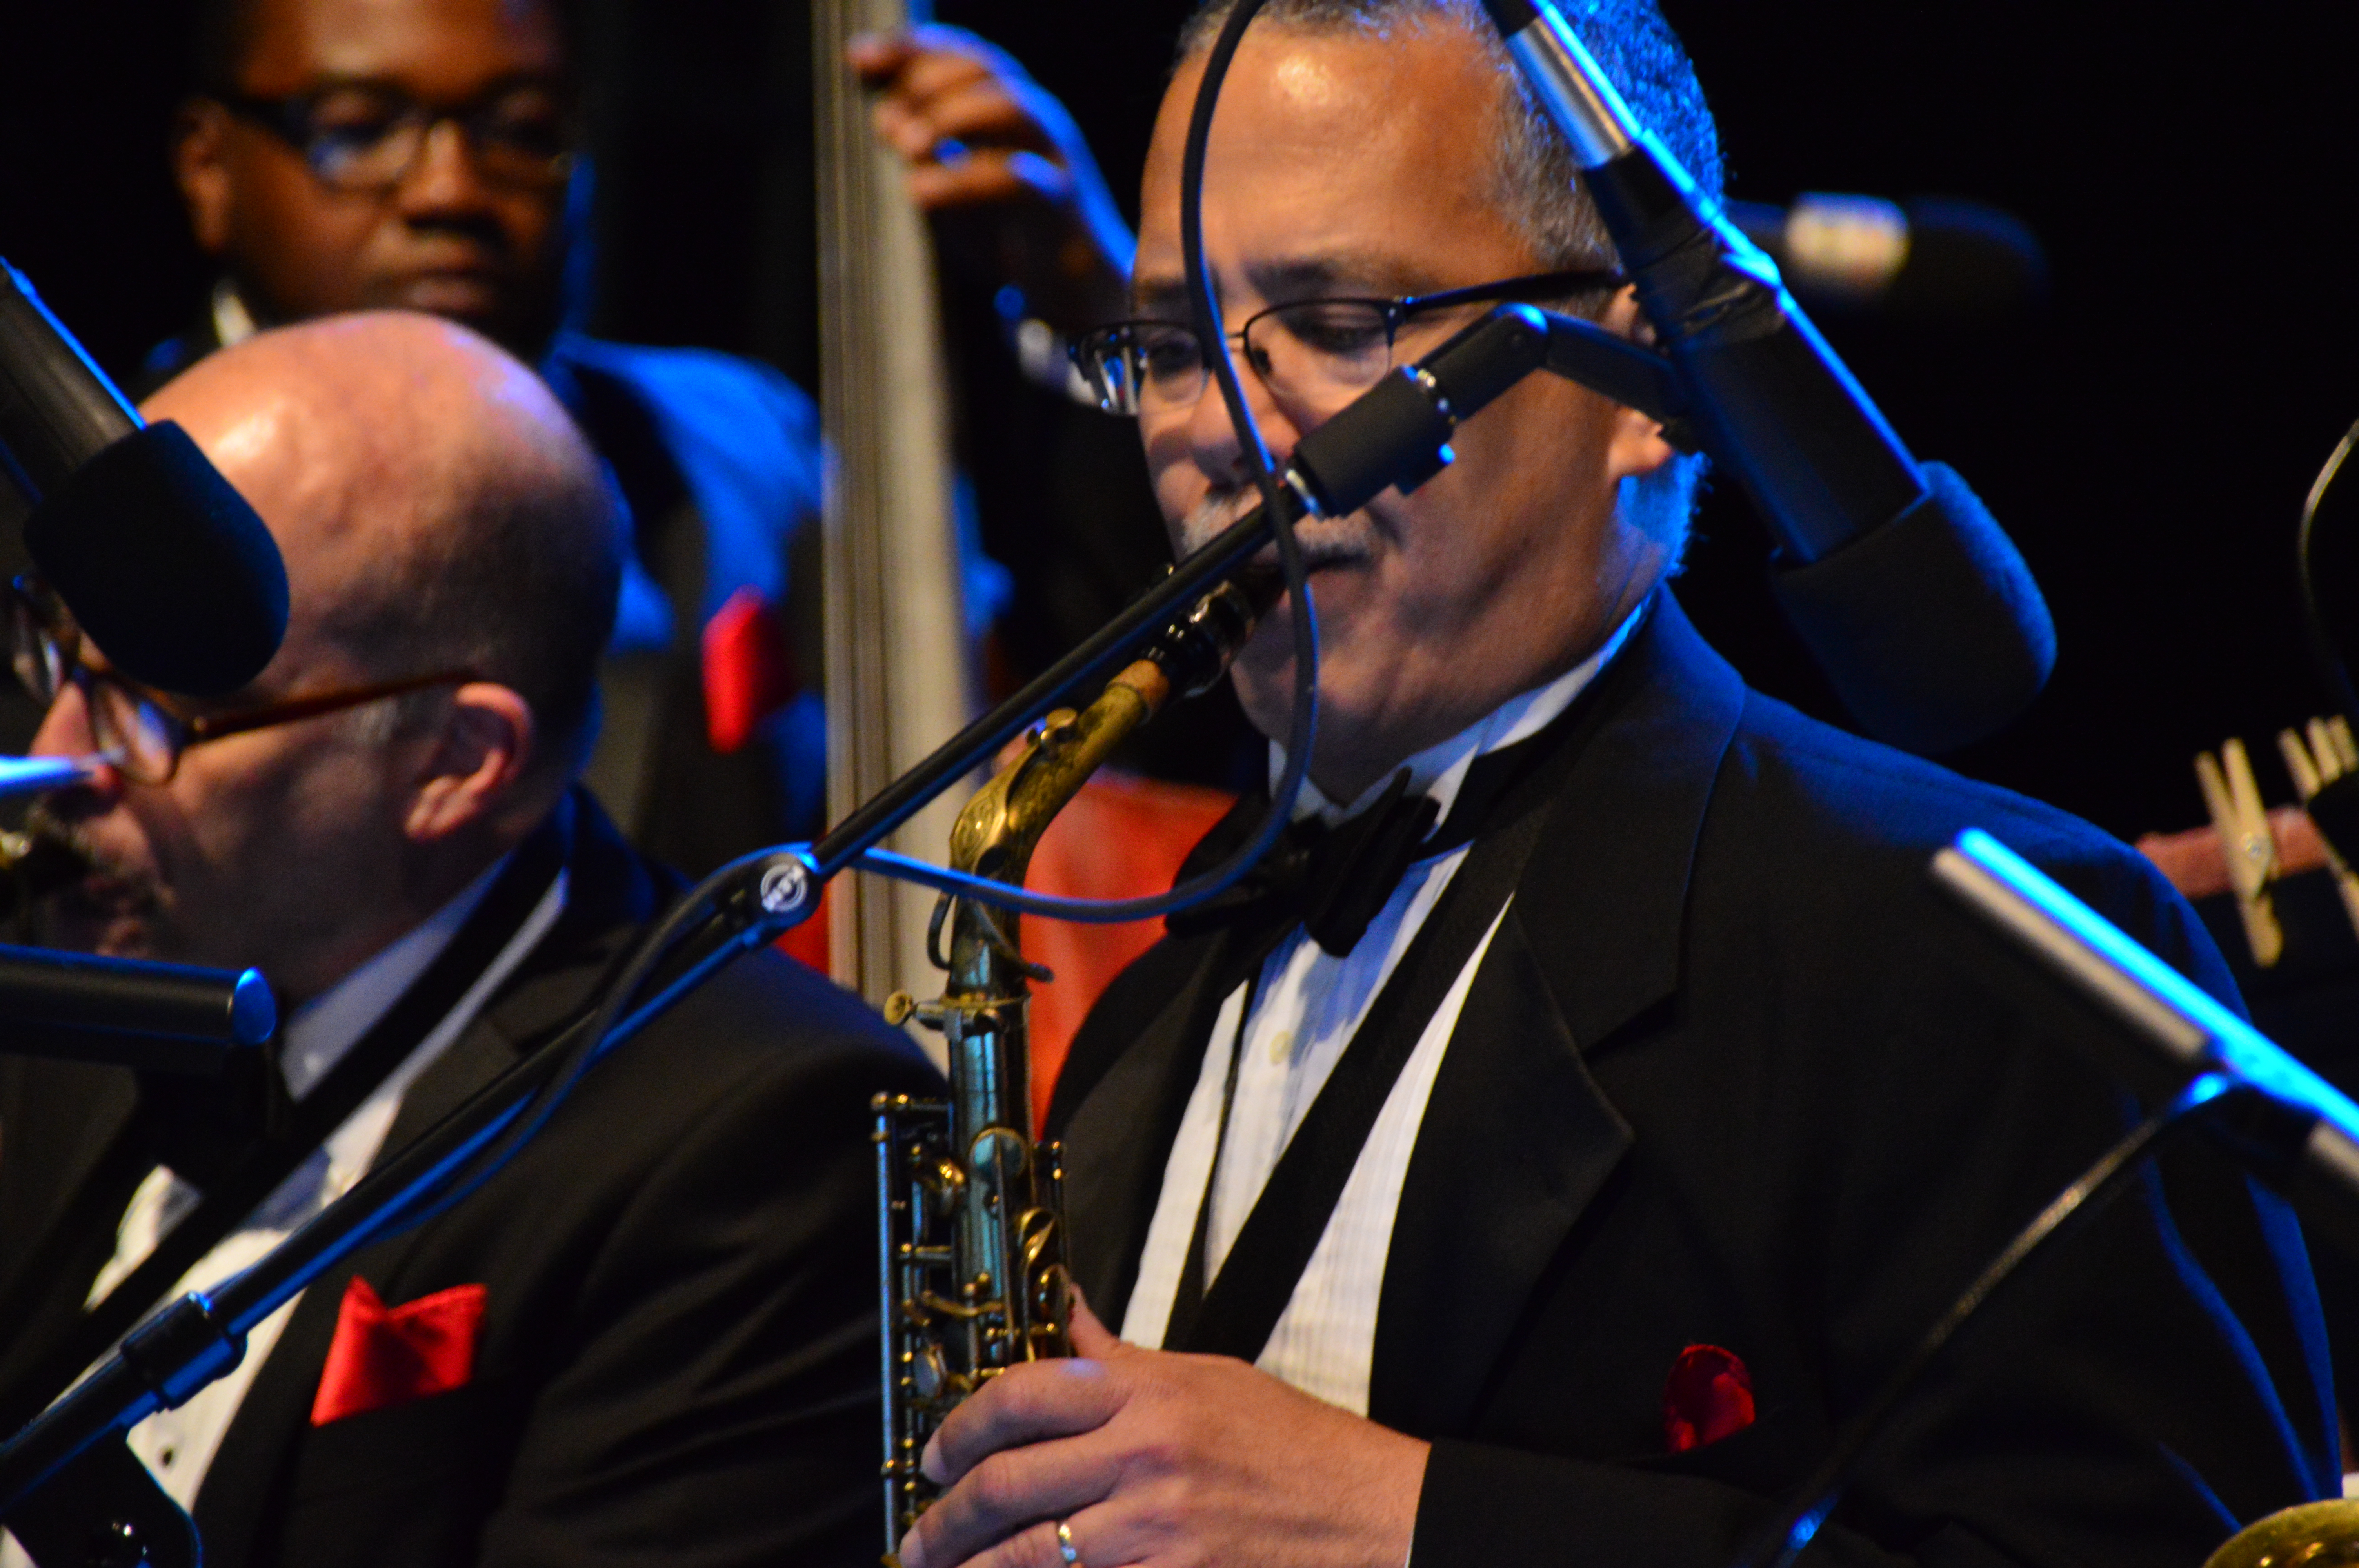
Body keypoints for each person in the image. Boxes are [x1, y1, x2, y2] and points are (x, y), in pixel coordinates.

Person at [885, 5, 2338, 1568]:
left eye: (1342, 318)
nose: (1218, 432)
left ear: (1651, 373)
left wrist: (1412, 1525)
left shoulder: (1981, 954)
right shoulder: (1132, 1026)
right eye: (1170, 348)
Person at [0, 313, 937, 1568]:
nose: (57, 757)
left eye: (150, 708)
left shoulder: (757, 1138)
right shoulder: (71, 975)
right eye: (54, 649)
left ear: (456, 762)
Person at [137, 0, 831, 871]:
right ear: (208, 167)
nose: (450, 191)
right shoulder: (59, 502)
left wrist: (1056, 301)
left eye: (522, 127)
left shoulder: (750, 445)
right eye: (356, 130)